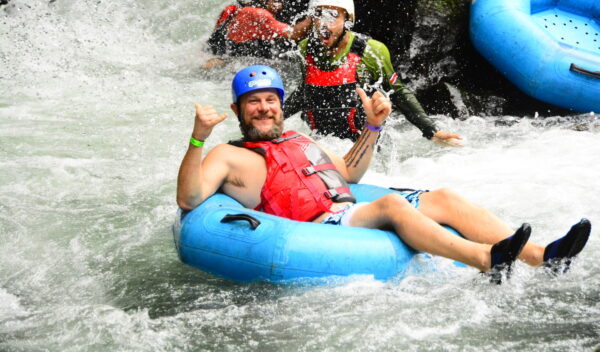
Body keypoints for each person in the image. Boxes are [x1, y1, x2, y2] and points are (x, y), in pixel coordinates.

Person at [177, 65, 591, 283]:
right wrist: (197, 139)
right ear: (237, 111)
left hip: (348, 207)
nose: (265, 108)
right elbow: (190, 200)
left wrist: (373, 126)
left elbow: (348, 174)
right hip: (323, 227)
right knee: (392, 203)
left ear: (281, 105)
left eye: (271, 99)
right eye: (254, 102)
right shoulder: (229, 156)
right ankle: (486, 259)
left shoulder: (300, 140)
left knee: (444, 196)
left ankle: (543, 256)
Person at [284, 0, 463, 144]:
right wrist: (273, 119)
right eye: (318, 15)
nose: (324, 24)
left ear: (348, 20)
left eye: (333, 16)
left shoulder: (371, 51)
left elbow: (398, 93)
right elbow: (306, 93)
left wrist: (431, 130)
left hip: (363, 146)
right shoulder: (305, 49)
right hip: (323, 145)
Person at [206, 0, 312, 62]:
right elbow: (294, 34)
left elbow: (213, 42)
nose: (280, 6)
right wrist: (314, 15)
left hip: (211, 59)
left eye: (282, 0)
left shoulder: (233, 9)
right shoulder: (259, 14)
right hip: (229, 65)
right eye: (277, 0)